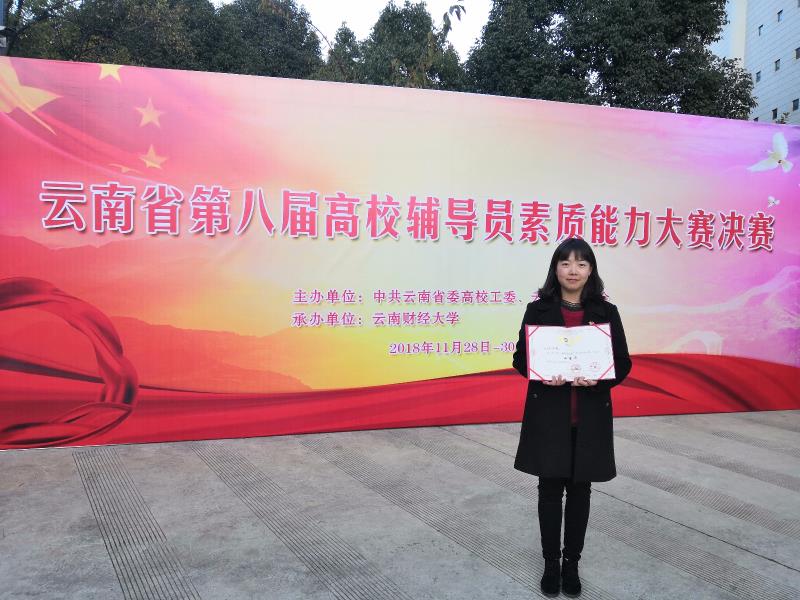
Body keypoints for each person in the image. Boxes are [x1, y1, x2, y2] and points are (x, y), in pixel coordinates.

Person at [511, 238, 632, 598]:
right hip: (549, 416)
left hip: (589, 418)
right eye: (565, 263)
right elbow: (520, 358)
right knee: (549, 492)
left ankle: (571, 564)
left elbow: (622, 362)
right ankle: (550, 564)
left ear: (591, 270)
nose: (573, 270)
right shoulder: (538, 309)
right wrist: (541, 373)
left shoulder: (606, 312)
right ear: (556, 269)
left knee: (580, 493)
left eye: (581, 263)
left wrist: (599, 379)